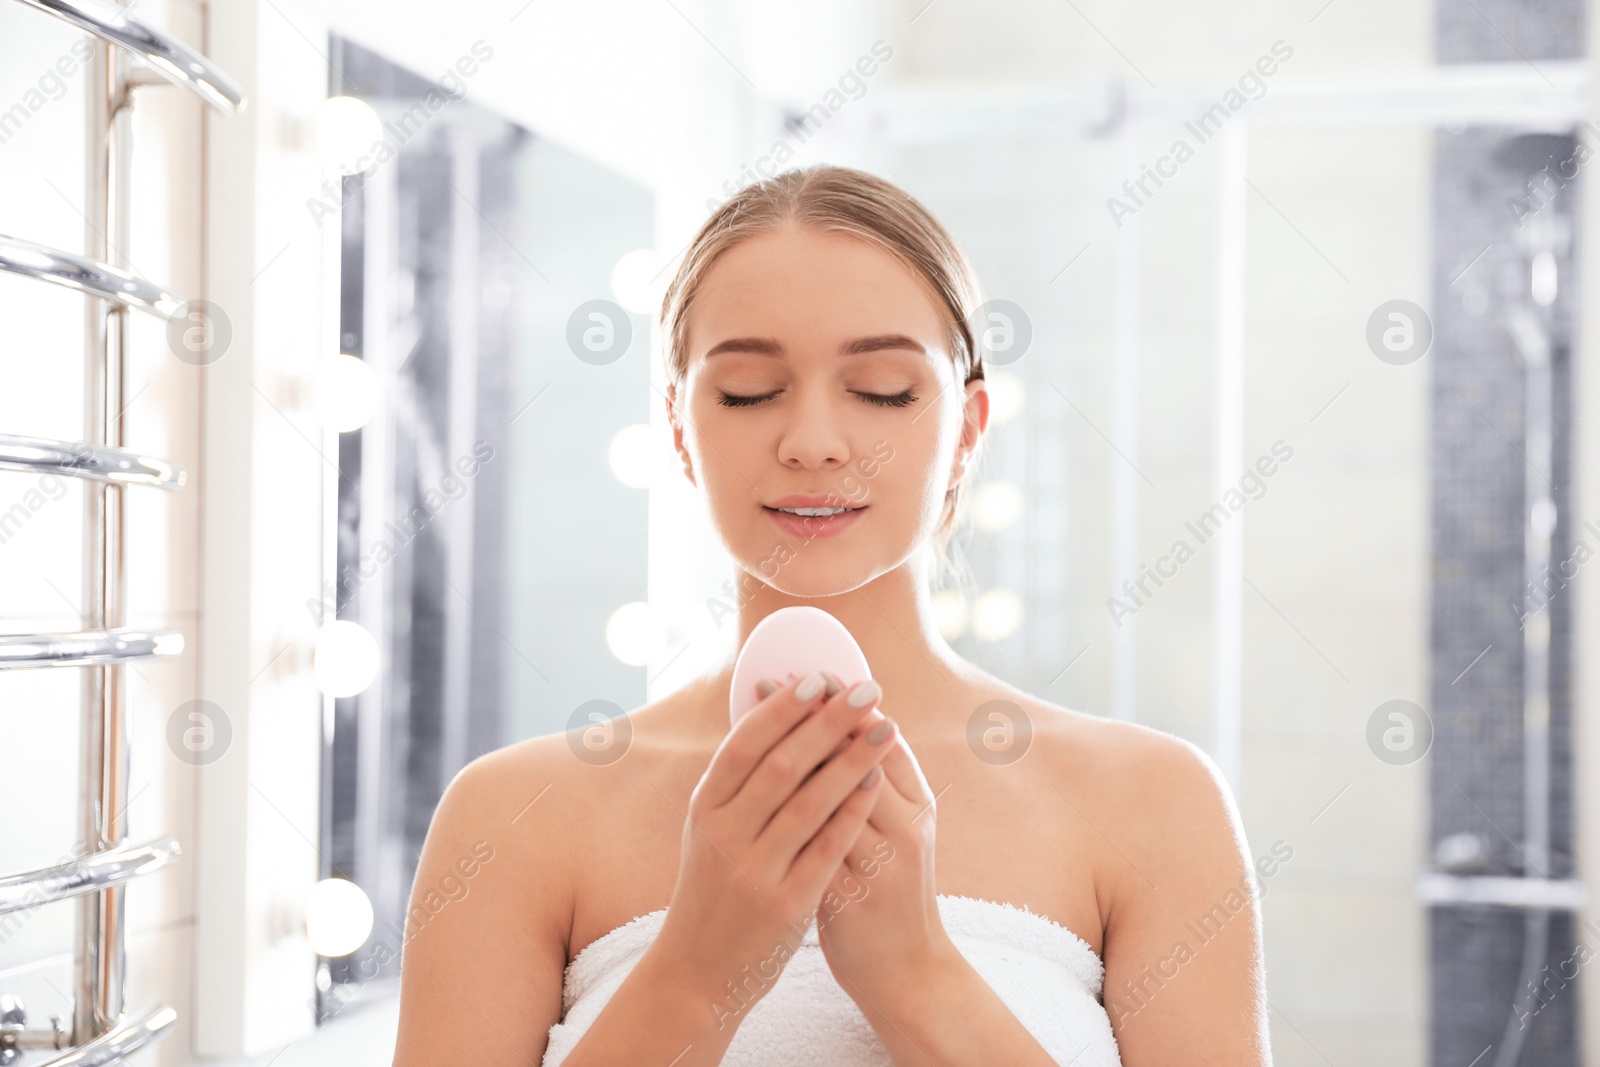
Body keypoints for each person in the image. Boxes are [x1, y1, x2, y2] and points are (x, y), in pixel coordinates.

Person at [390, 164, 1271, 1066]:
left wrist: (916, 977)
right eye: (746, 391)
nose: (812, 441)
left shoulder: (1152, 805)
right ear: (680, 430)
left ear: (968, 429)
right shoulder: (514, 818)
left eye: (883, 388)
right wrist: (698, 968)